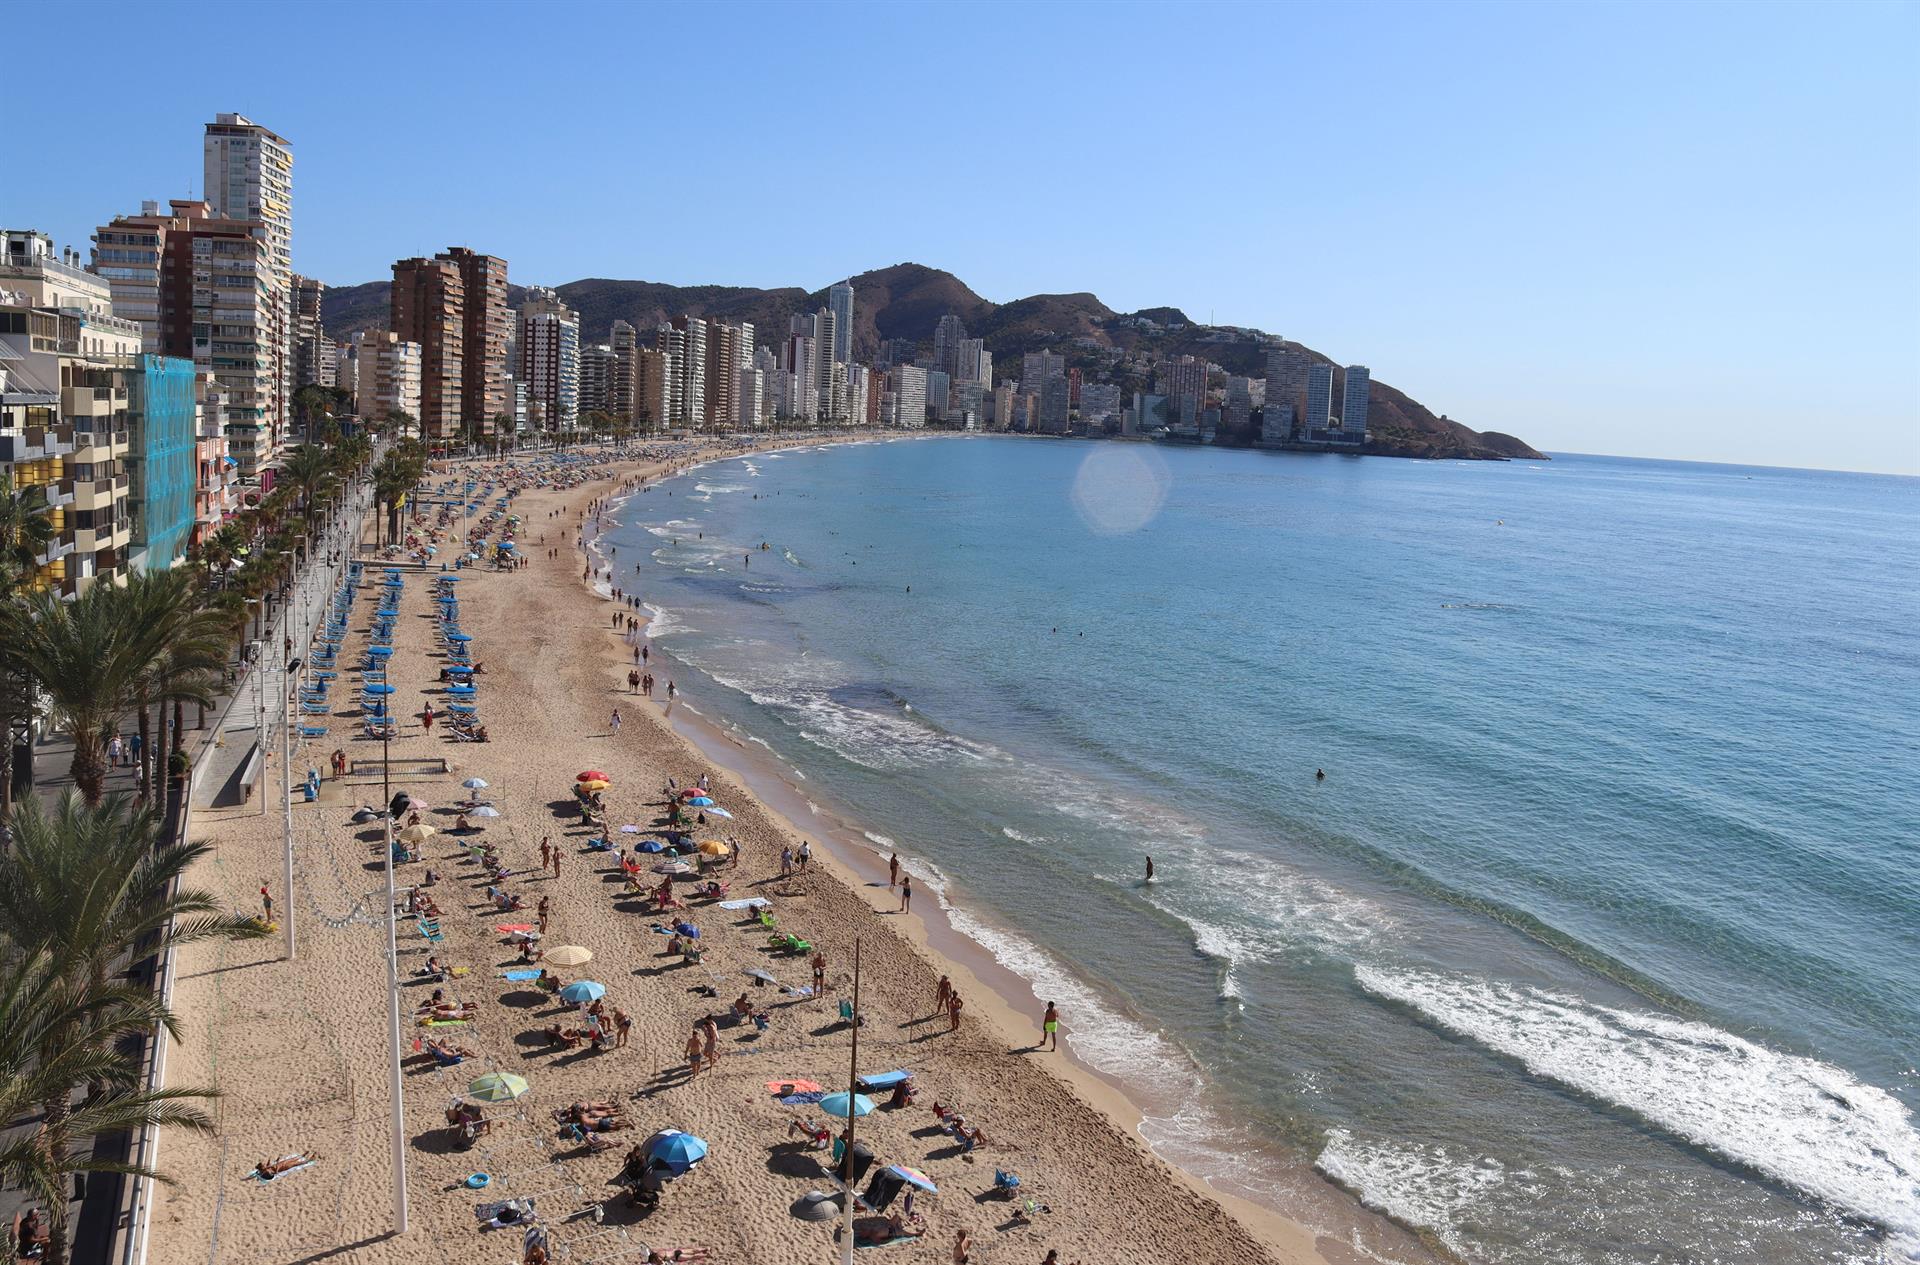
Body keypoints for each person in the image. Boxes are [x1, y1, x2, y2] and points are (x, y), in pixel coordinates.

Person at [251, 1150, 319, 1179]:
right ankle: (310, 1160)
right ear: (262, 1167)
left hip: (280, 1164)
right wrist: (277, 1163)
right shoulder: (266, 1172)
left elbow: (268, 1166)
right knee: (295, 1164)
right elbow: (276, 1172)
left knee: (291, 1159)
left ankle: (302, 1156)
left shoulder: (264, 1169)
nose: (264, 1164)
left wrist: (270, 1160)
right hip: (283, 1167)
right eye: (263, 1164)